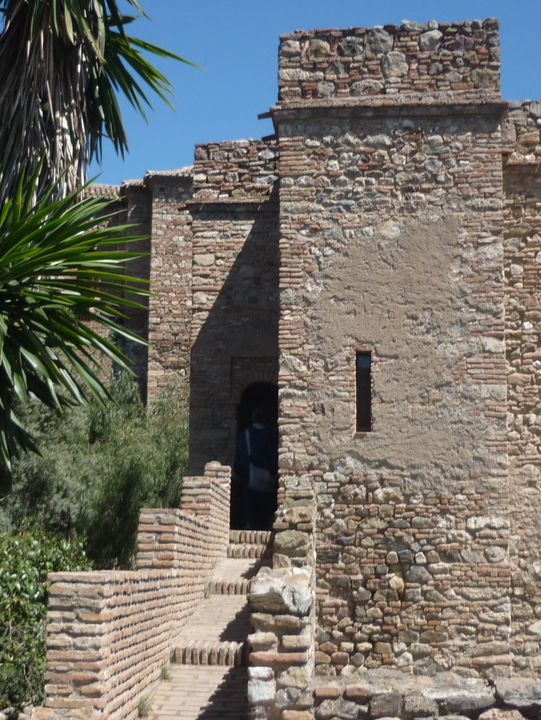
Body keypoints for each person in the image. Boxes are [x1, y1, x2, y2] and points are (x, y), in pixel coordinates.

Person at [234, 407, 277, 530]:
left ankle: (248, 524)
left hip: (248, 476)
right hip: (265, 476)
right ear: (264, 419)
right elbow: (272, 455)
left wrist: (238, 472)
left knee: (248, 502)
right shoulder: (269, 435)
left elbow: (239, 456)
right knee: (264, 502)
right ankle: (264, 525)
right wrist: (274, 473)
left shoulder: (244, 435)